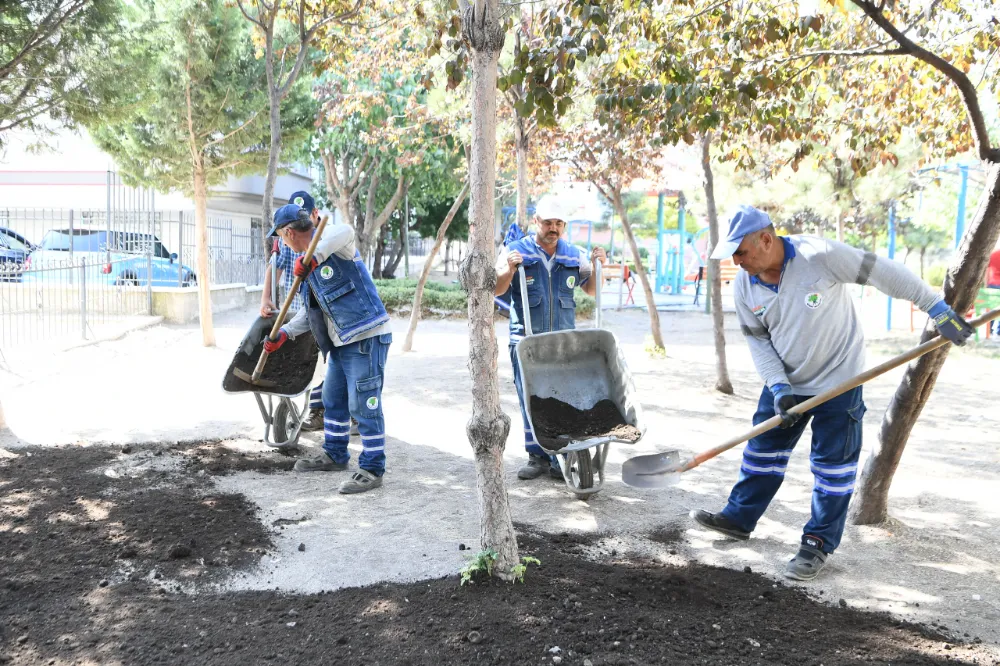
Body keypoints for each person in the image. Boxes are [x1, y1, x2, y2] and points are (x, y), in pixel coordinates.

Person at [693, 205, 973, 581]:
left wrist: (936, 308)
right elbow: (759, 343)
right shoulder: (745, 285)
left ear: (765, 238)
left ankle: (817, 544)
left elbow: (883, 273)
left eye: (739, 251)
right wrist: (779, 388)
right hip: (786, 384)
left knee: (832, 469)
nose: (736, 261)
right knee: (762, 453)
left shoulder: (819, 256)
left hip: (839, 382)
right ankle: (739, 518)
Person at [262, 203, 392, 494]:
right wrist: (284, 333)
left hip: (365, 336)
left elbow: (344, 231)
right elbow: (310, 313)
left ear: (288, 233)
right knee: (333, 400)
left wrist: (315, 257)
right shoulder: (305, 269)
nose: (283, 243)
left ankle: (372, 466)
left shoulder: (332, 241)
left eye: (281, 237)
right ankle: (335, 454)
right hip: (339, 343)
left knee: (363, 404)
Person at [494, 196, 607, 480]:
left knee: (563, 400)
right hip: (525, 341)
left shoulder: (573, 254)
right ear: (536, 222)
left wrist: (597, 266)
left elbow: (592, 290)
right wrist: (509, 269)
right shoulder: (514, 250)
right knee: (530, 400)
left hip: (562, 344)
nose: (553, 228)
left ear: (564, 226)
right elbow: (496, 289)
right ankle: (537, 457)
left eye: (558, 223)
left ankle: (561, 458)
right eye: (548, 222)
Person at [259, 191, 326, 431]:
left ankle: (321, 410)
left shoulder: (324, 240)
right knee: (305, 362)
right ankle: (315, 408)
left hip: (321, 315)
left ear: (313, 215)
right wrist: (266, 298)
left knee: (322, 363)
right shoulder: (285, 243)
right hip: (297, 312)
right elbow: (274, 269)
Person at [987, 247, 1000, 335]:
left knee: (991, 307)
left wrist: (986, 283)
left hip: (992, 284)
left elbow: (987, 271)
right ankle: (999, 330)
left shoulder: (993, 254)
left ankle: (989, 329)